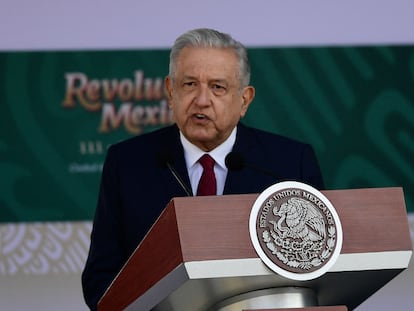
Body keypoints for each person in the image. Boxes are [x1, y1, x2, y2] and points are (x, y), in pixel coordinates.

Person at [81, 28, 324, 310]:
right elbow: (102, 280)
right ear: (171, 92)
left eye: (217, 87)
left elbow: (321, 266)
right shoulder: (127, 163)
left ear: (244, 100)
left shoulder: (289, 164)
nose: (202, 100)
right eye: (189, 85)